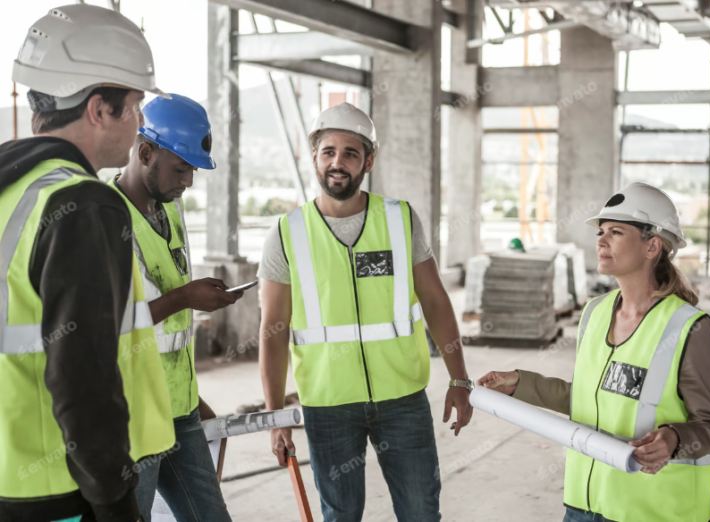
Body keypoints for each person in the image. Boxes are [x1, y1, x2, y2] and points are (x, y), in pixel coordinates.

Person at [0, 5, 176, 522]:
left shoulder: (13, 191)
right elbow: (84, 377)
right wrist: (117, 504)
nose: (141, 123)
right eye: (136, 106)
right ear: (100, 109)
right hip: (57, 491)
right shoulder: (82, 204)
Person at [259, 102, 473, 521]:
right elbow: (273, 330)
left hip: (402, 398)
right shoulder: (287, 234)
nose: (338, 163)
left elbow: (435, 303)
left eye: (351, 153)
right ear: (315, 158)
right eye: (328, 152)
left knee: (421, 511)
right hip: (327, 403)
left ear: (368, 160)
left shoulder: (399, 220)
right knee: (341, 516)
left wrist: (459, 377)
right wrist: (275, 415)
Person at [478, 182, 710, 522]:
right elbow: (588, 399)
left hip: (654, 512)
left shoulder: (690, 328)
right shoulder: (595, 312)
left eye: (616, 232)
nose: (601, 241)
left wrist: (673, 438)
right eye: (601, 231)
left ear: (652, 245)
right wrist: (520, 384)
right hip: (584, 505)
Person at [109, 94, 241, 521]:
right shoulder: (105, 219)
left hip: (180, 411)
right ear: (145, 152)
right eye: (180, 168)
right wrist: (186, 297)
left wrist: (193, 397)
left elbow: (171, 332)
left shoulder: (170, 206)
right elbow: (112, 323)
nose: (187, 182)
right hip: (132, 418)